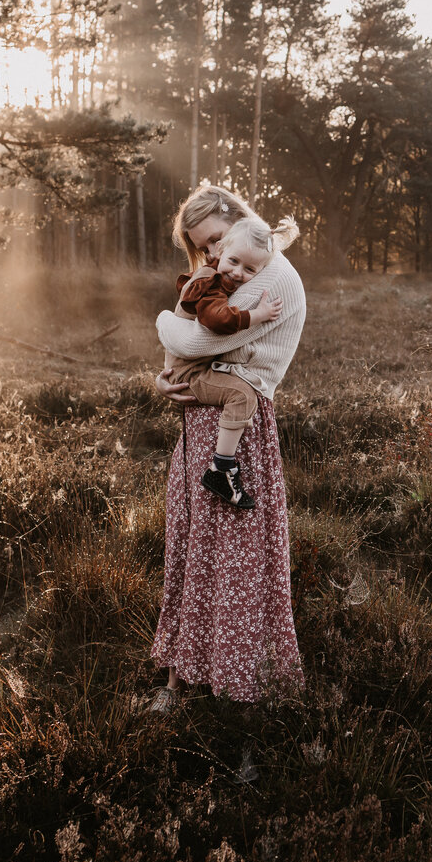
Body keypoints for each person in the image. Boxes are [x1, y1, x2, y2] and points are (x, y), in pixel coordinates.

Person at [150, 184, 306, 708]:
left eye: (216, 239)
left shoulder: (272, 272)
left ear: (235, 216)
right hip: (206, 417)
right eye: (204, 249)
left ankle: (240, 684)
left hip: (238, 426)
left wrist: (162, 324)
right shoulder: (233, 267)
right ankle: (186, 675)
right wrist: (164, 377)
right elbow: (190, 348)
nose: (214, 256)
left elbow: (194, 340)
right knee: (197, 548)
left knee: (234, 555)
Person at [163, 213, 299, 511]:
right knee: (240, 394)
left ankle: (222, 466)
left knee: (240, 394)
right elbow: (214, 320)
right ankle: (221, 469)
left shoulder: (227, 273)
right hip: (192, 372)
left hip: (194, 369)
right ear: (222, 252)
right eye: (233, 261)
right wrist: (256, 315)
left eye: (250, 269)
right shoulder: (210, 281)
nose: (238, 273)